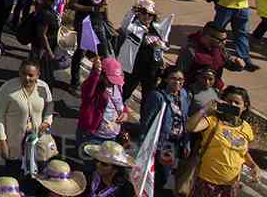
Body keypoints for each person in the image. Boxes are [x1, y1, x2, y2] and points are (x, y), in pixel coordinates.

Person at [185, 85, 259, 197]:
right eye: (229, 101)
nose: (232, 105)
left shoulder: (247, 128)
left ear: (245, 106)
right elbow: (189, 127)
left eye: (236, 103)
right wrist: (205, 109)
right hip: (207, 182)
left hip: (230, 186)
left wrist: (254, 166)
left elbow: (242, 153)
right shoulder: (212, 120)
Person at [0, 59, 54, 176]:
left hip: (37, 141)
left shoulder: (44, 87)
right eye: (23, 74)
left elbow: (50, 107)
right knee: (13, 175)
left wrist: (47, 122)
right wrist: (2, 140)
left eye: (31, 75)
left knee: (37, 176)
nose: (26, 78)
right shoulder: (7, 89)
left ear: (38, 75)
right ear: (19, 72)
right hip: (14, 142)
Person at [139, 67, 191, 197]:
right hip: (163, 142)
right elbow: (147, 120)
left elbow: (186, 119)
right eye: (173, 79)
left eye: (180, 80)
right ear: (166, 79)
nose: (177, 83)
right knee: (160, 175)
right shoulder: (157, 96)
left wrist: (186, 143)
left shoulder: (183, 94)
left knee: (166, 174)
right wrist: (144, 142)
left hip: (177, 142)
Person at [77, 57, 127, 151]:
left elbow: (120, 104)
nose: (113, 83)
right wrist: (96, 73)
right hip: (94, 137)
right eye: (110, 80)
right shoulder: (95, 87)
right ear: (102, 75)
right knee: (89, 164)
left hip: (111, 137)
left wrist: (125, 113)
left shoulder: (118, 87)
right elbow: (87, 93)